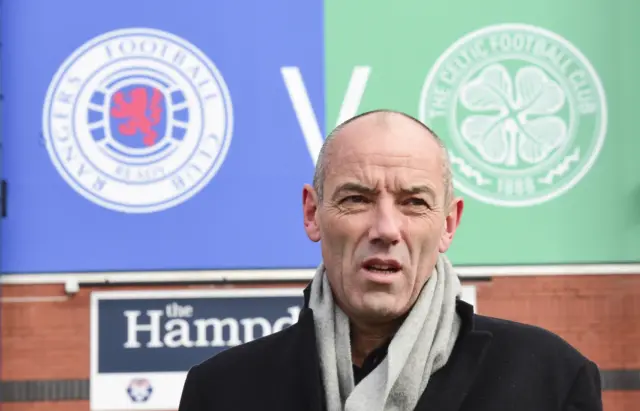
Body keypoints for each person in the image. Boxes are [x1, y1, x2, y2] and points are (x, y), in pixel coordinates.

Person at [177, 110, 603, 411]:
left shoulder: (551, 378)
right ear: (312, 214)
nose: (385, 228)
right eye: (356, 199)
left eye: (414, 202)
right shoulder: (223, 390)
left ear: (448, 224)